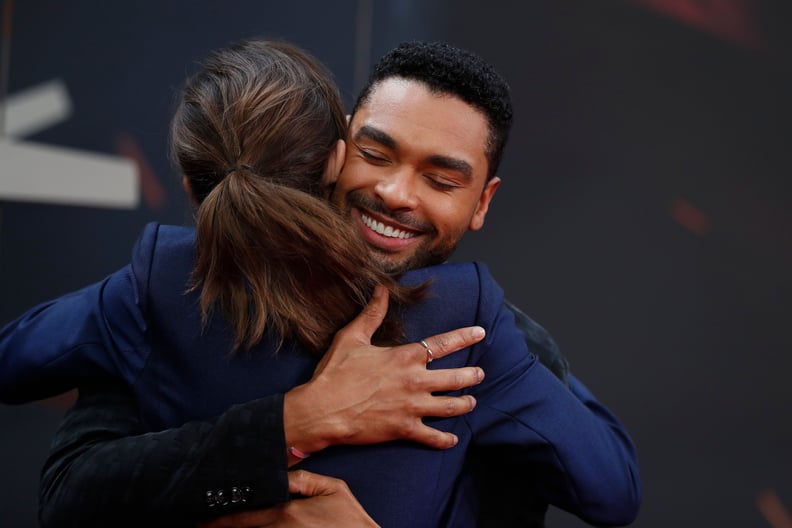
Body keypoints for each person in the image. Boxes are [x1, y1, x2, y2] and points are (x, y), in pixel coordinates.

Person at [0, 40, 641, 527]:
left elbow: (612, 490)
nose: (395, 193)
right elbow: (72, 497)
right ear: (335, 150)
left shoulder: (484, 334)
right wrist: (287, 430)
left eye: (441, 180)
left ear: (482, 202)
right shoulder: (179, 283)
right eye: (377, 154)